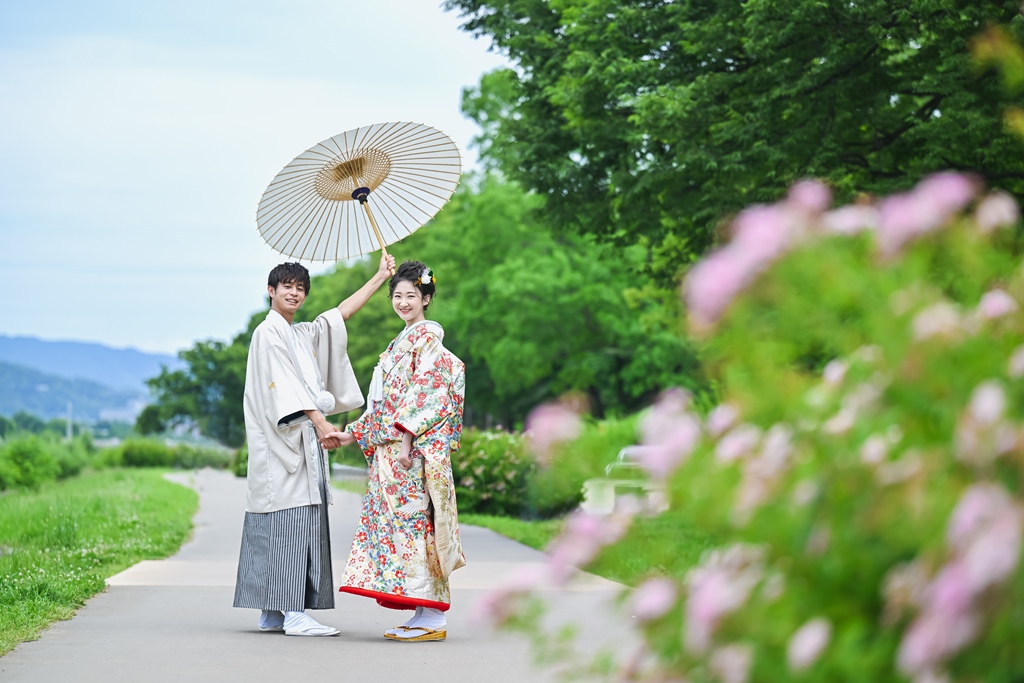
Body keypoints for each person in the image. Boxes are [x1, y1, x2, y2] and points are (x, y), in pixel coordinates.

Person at [233, 254, 395, 637]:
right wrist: (321, 423)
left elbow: (337, 317)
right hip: (282, 448)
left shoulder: (298, 334)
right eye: (287, 286)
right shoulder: (267, 333)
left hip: (294, 445)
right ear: (270, 291)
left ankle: (273, 611)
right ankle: (293, 612)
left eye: (300, 288)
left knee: (280, 524)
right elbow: (284, 386)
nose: (294, 293)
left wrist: (379, 277)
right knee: (291, 523)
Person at [327, 260, 466, 642]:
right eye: (398, 295)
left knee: (415, 526)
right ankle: (422, 611)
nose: (403, 302)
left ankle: (433, 616)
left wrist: (406, 442)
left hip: (410, 454)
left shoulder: (426, 339)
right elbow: (386, 403)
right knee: (405, 528)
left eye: (412, 296)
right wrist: (352, 434)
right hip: (394, 452)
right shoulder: (401, 342)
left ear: (427, 299)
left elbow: (424, 396)